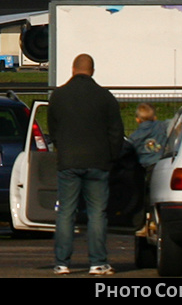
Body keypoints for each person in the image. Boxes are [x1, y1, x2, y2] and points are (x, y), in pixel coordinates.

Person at [48, 53, 124, 276]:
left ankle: (62, 263)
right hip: (98, 162)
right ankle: (97, 262)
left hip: (69, 161)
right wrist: (112, 157)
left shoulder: (58, 96)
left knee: (65, 213)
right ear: (92, 70)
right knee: (97, 213)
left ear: (73, 69)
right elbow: (116, 132)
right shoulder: (105, 96)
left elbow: (53, 128)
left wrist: (61, 148)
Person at [126, 103, 170, 168]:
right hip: (161, 163)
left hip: (144, 166)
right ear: (155, 117)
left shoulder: (134, 136)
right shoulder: (162, 126)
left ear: (137, 120)